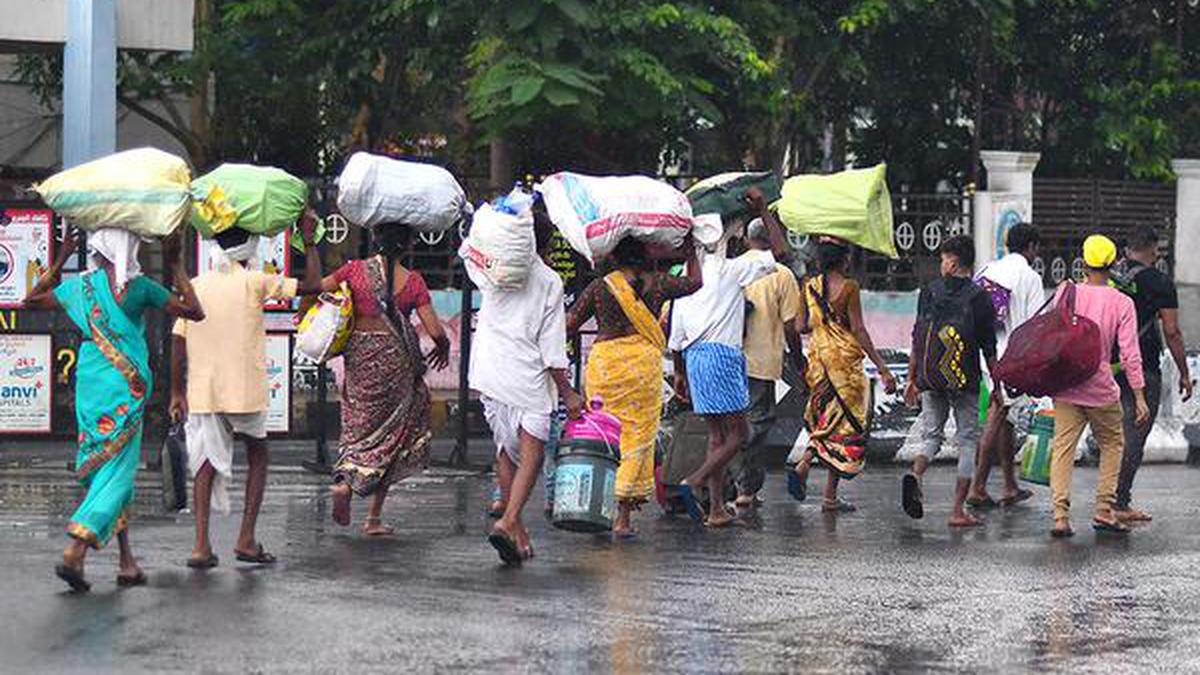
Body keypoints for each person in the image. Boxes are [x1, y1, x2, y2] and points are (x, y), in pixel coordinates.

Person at [25, 227, 204, 592]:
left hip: (91, 385)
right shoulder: (141, 289)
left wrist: (60, 256)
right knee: (119, 473)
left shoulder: (81, 287)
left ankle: (127, 563)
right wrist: (177, 267)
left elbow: (33, 299)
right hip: (126, 388)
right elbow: (194, 311)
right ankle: (76, 546)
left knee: (103, 470)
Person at [170, 213, 322, 569]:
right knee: (258, 455)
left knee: (204, 464)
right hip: (244, 388)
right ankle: (246, 539)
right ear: (251, 248)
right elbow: (313, 286)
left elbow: (178, 339)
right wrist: (310, 241)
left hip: (204, 389)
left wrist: (176, 391)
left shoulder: (197, 284)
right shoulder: (255, 281)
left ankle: (200, 545)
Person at [669, 188, 790, 527]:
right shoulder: (729, 269)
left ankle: (716, 509)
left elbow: (675, 336)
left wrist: (680, 373)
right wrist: (764, 210)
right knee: (738, 435)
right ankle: (694, 481)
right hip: (721, 355)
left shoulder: (686, 278)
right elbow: (780, 252)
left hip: (694, 359)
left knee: (717, 436)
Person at [567, 235, 702, 538]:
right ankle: (622, 519)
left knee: (607, 435)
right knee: (637, 438)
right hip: (643, 368)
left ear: (614, 256)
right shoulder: (658, 283)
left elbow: (570, 323)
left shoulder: (602, 287)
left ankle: (600, 505)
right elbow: (695, 283)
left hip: (607, 368)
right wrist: (691, 251)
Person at [471, 202, 584, 564]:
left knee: (506, 449)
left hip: (488, 371)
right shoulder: (549, 280)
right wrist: (568, 392)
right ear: (547, 247)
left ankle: (517, 532)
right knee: (531, 453)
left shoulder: (492, 270)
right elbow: (552, 347)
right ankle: (507, 521)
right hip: (527, 376)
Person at [320, 226, 451, 535]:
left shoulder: (353, 271)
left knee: (356, 428)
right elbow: (434, 330)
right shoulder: (414, 281)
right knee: (392, 437)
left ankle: (344, 484)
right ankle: (374, 518)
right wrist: (442, 348)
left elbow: (319, 289)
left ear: (375, 242)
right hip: (397, 365)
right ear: (406, 246)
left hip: (361, 359)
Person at [1046, 234, 1149, 538]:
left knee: (1063, 448)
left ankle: (1060, 516)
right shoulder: (1122, 302)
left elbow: (1053, 335)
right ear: (1113, 263)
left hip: (1066, 384)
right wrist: (1140, 395)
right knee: (1112, 445)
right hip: (1100, 388)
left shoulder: (1066, 292)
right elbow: (1130, 354)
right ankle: (1104, 510)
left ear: (1084, 261)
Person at [792, 238, 898, 512]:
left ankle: (809, 468)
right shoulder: (850, 287)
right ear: (843, 260)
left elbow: (800, 326)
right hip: (845, 368)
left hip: (818, 365)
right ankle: (827, 493)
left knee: (825, 420)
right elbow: (859, 330)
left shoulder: (808, 287)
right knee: (844, 427)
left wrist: (819, 320)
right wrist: (883, 369)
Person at [902, 235, 998, 527]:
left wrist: (912, 377)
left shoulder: (929, 291)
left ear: (953, 262)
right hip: (964, 378)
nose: (941, 264)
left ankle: (916, 474)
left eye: (943, 259)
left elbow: (918, 337)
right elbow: (989, 347)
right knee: (968, 441)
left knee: (932, 437)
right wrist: (998, 385)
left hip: (931, 377)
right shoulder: (980, 297)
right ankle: (957, 511)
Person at [1111, 226, 1191, 523]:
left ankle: (1101, 501)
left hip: (1105, 367)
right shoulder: (1160, 282)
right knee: (1134, 433)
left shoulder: (1110, 279)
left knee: (1111, 434)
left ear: (1126, 249)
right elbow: (1172, 331)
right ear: (1154, 251)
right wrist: (1184, 373)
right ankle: (1119, 502)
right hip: (1142, 366)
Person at [968, 222, 1045, 509]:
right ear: (1031, 247)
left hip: (984, 355)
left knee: (1004, 417)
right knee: (998, 414)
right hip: (1012, 358)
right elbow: (1035, 326)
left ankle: (1010, 485)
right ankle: (976, 487)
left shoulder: (986, 270)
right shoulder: (1029, 277)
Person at [732, 217, 805, 510]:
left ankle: (733, 484)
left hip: (729, 357)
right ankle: (746, 489)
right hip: (762, 360)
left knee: (730, 421)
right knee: (758, 421)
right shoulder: (781, 273)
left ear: (748, 238)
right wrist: (798, 358)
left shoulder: (733, 268)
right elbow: (791, 325)